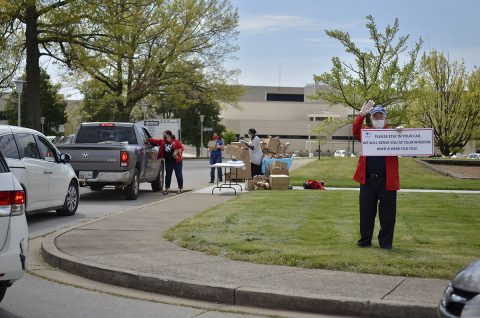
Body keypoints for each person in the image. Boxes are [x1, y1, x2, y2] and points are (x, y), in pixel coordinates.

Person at [352, 101, 400, 250]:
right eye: (375, 117)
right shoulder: (366, 133)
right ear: (371, 119)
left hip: (387, 181)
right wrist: (361, 115)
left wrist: (402, 133)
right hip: (367, 180)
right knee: (366, 213)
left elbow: (409, 144)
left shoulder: (394, 134)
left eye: (381, 117)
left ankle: (385, 243)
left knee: (388, 216)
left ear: (385, 119)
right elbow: (355, 131)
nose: (378, 119)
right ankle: (365, 241)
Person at [148, 130, 184, 194]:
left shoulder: (176, 141)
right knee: (168, 176)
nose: (165, 137)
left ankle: (180, 188)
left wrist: (177, 151)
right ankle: (167, 189)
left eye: (166, 136)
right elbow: (154, 141)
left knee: (179, 175)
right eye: (165, 136)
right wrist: (147, 139)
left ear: (170, 136)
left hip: (177, 162)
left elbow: (182, 148)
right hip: (168, 162)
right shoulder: (162, 141)